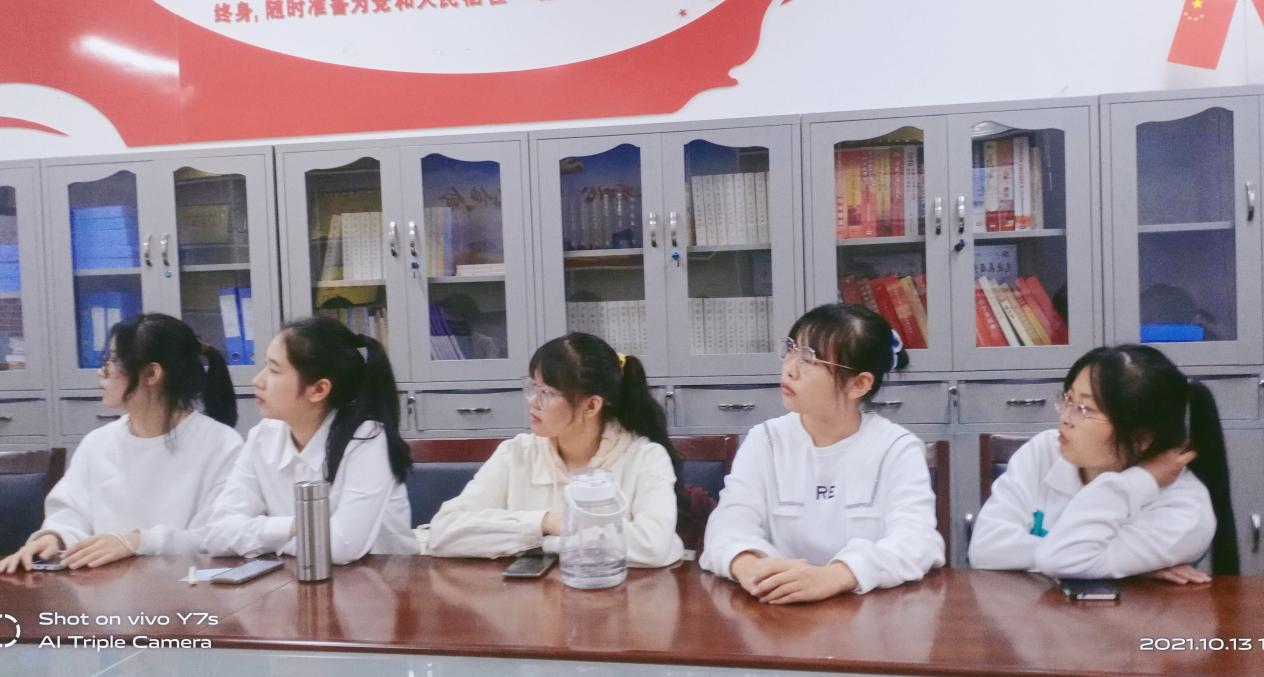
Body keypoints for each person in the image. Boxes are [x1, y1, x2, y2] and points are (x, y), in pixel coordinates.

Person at [700, 303, 945, 603]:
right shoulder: (765, 440)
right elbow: (728, 523)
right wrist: (748, 566)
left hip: (869, 614)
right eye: (790, 350)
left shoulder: (897, 448)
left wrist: (836, 576)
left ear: (859, 384)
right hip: (775, 608)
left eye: (808, 359)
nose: (790, 368)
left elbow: (917, 541)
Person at [969, 344, 1238, 581]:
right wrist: (1115, 565)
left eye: (1084, 409)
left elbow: (1062, 559)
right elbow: (985, 547)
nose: (1065, 417)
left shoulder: (1184, 512)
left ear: (1140, 438)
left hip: (1130, 621)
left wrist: (1135, 483)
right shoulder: (1045, 451)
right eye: (1068, 399)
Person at [1, 313, 241, 572]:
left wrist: (137, 542)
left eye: (113, 360)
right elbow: (70, 512)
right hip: (100, 586)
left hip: (182, 588)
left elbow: (217, 536)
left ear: (151, 373)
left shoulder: (221, 444)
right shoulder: (98, 443)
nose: (101, 371)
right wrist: (53, 537)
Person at [425, 332, 685, 567]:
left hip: (615, 598)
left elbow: (653, 545)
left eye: (547, 392)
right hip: (527, 600)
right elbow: (444, 532)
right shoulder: (515, 453)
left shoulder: (646, 458)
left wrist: (546, 542)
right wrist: (545, 522)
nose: (532, 401)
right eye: (533, 387)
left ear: (592, 406)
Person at [203, 316, 414, 564]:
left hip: (382, 581)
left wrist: (263, 540)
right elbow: (216, 535)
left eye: (274, 370)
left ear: (318, 390)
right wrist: (294, 527)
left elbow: (339, 547)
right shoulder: (262, 436)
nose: (257, 380)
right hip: (298, 577)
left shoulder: (367, 439)